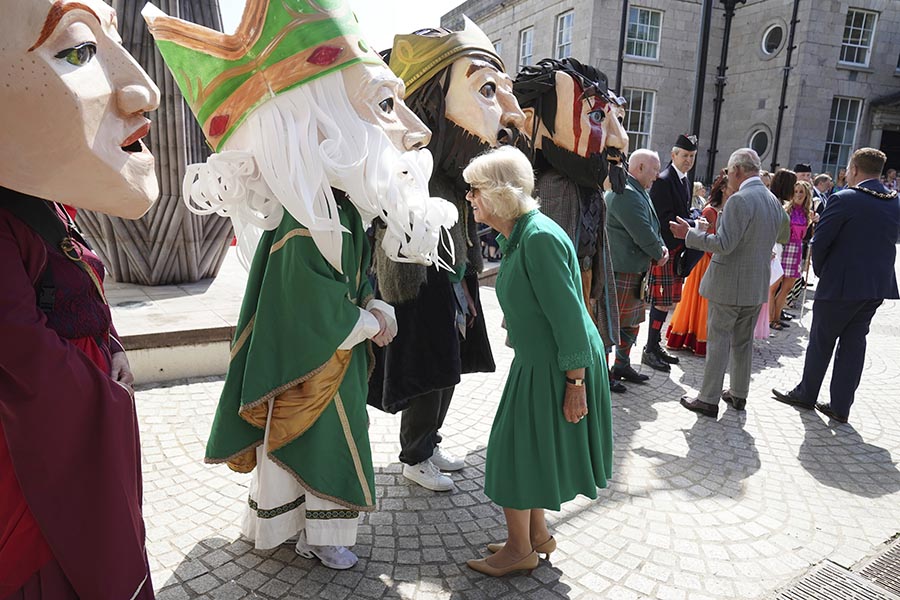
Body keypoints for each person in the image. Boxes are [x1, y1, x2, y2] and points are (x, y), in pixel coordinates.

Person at [145, 0, 458, 570]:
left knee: (315, 440)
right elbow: (307, 306)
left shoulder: (342, 206)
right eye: (385, 108)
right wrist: (366, 321)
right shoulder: (309, 217)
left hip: (330, 357)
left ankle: (300, 528)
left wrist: (374, 305)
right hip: (311, 364)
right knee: (321, 441)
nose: (414, 132)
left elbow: (350, 278)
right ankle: (317, 534)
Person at [0, 0, 160, 597]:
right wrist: (100, 398)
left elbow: (84, 278)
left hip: (87, 386)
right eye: (77, 52)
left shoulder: (47, 195)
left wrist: (112, 345)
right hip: (42, 429)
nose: (142, 90)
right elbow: (17, 347)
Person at [369, 20, 516, 492]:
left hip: (454, 276)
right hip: (422, 281)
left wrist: (467, 280)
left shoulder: (454, 173)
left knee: (449, 367)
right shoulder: (411, 168)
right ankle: (414, 455)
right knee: (431, 368)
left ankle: (429, 442)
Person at [462, 146, 613, 576]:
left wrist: (575, 384)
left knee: (513, 455)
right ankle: (537, 536)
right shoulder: (523, 233)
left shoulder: (538, 237)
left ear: (497, 192)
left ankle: (518, 549)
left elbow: (568, 316)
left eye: (475, 191)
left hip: (558, 365)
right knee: (531, 451)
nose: (470, 198)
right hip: (543, 362)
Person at [512, 58, 630, 390]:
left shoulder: (582, 185)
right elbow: (553, 283)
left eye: (610, 119)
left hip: (583, 303)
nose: (618, 139)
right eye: (597, 117)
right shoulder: (555, 188)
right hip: (562, 328)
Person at [773, 148, 900, 424]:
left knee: (822, 341)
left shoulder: (844, 198)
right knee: (854, 343)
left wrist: (823, 272)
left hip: (841, 284)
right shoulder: (894, 201)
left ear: (853, 169)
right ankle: (841, 406)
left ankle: (807, 393)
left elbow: (820, 242)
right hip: (876, 286)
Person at [670, 148, 783, 418]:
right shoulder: (772, 199)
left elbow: (724, 245)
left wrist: (690, 235)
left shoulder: (739, 200)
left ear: (736, 171)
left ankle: (708, 399)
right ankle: (739, 394)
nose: (727, 177)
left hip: (730, 284)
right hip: (755, 285)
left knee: (719, 340)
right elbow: (776, 236)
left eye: (729, 172)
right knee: (743, 343)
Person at [605, 149, 667, 391]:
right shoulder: (627, 193)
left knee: (630, 324)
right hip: (622, 270)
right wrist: (658, 252)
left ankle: (621, 365)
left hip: (633, 270)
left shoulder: (637, 190)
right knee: (612, 325)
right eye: (654, 169)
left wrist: (660, 247)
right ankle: (605, 373)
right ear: (639, 168)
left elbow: (652, 225)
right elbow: (642, 231)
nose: (657, 175)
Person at [645, 134, 699, 372]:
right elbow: (663, 219)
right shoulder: (664, 180)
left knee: (666, 302)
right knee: (661, 301)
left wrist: (692, 219)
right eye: (684, 155)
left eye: (692, 156)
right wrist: (694, 222)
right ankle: (649, 348)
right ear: (673, 155)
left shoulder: (684, 180)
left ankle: (655, 344)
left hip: (677, 249)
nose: (688, 160)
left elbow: (683, 212)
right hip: (666, 248)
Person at [666, 171, 730, 356]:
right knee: (700, 301)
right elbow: (703, 236)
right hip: (704, 260)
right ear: (724, 188)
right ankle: (693, 338)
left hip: (716, 258)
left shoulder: (729, 209)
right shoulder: (710, 210)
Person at [771, 180, 817, 330]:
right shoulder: (786, 210)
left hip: (797, 249)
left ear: (806, 195)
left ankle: (777, 316)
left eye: (801, 192)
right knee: (775, 286)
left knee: (787, 288)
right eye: (796, 191)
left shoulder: (807, 213)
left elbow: (805, 234)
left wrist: (813, 220)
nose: (798, 194)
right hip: (784, 247)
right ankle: (772, 318)